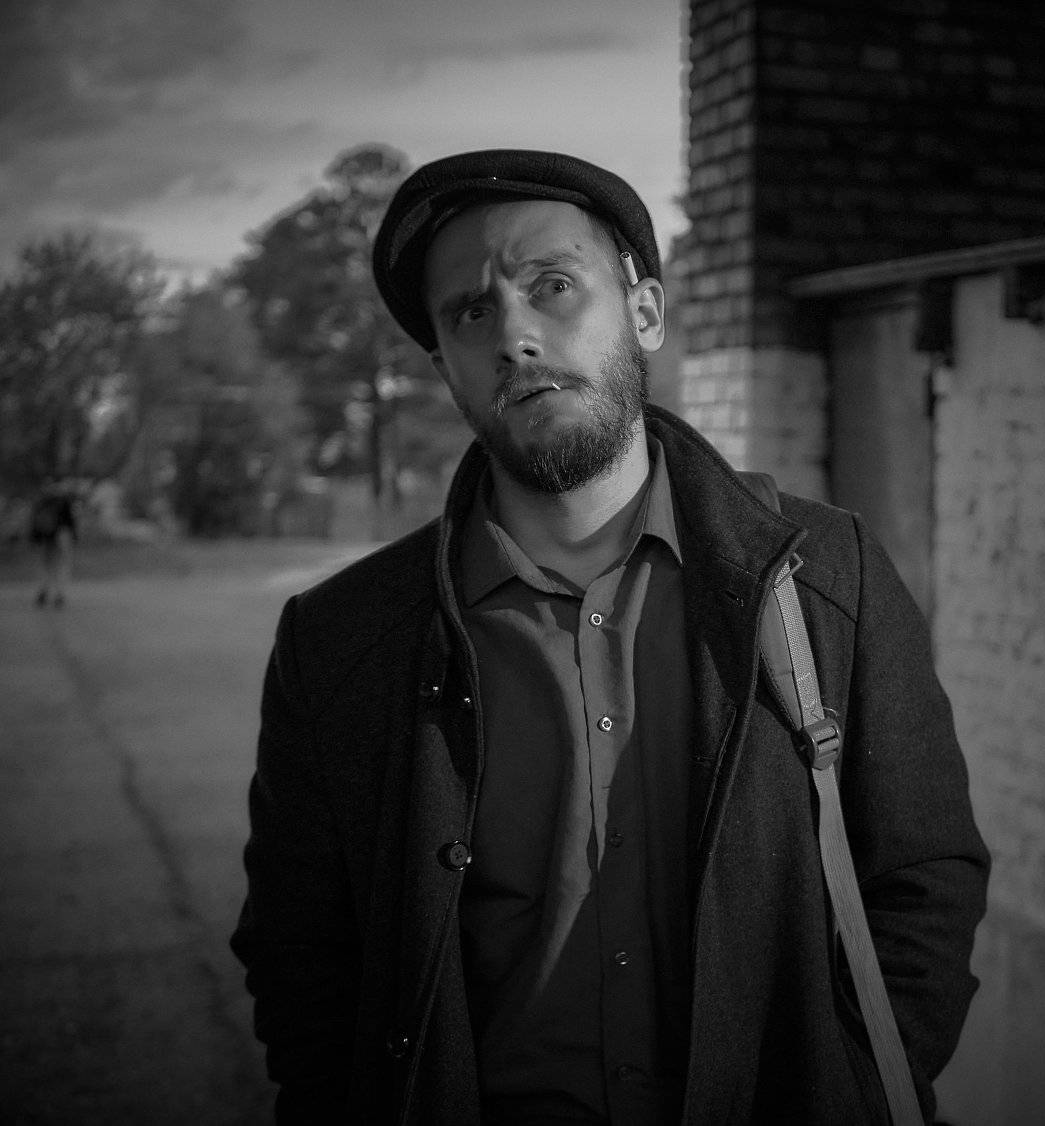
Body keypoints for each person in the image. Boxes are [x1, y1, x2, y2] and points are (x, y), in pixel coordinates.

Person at [230, 150, 989, 1125]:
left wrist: (841, 1084)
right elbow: (301, 957)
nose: (515, 337)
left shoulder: (824, 577)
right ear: (444, 367)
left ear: (645, 311)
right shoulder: (339, 645)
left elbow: (924, 875)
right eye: (471, 313)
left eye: (552, 285)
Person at [29, 483, 77, 608]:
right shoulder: (63, 501)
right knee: (61, 564)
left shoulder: (42, 500)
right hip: (61, 536)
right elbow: (70, 522)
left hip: (45, 537)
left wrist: (34, 538)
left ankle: (44, 588)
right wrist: (73, 537)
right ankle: (59, 592)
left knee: (46, 564)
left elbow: (35, 522)